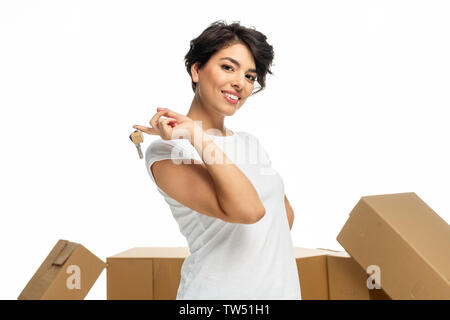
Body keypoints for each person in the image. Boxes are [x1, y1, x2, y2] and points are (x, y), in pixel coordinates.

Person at [132, 20, 301, 300]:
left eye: (250, 76)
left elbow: (283, 220)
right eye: (228, 67)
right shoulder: (168, 152)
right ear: (197, 69)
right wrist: (197, 136)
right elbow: (250, 211)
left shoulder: (249, 143)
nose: (240, 83)